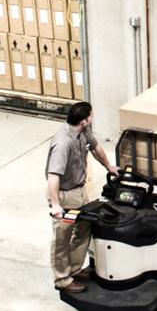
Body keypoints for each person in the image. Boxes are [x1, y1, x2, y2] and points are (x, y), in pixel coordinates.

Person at [47, 100, 117, 293]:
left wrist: (109, 166)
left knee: (85, 228)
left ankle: (75, 269)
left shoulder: (83, 132)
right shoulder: (63, 143)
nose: (93, 117)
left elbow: (96, 148)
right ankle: (62, 279)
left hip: (79, 191)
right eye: (91, 116)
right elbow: (53, 176)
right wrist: (55, 205)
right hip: (64, 196)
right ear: (84, 121)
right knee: (63, 237)